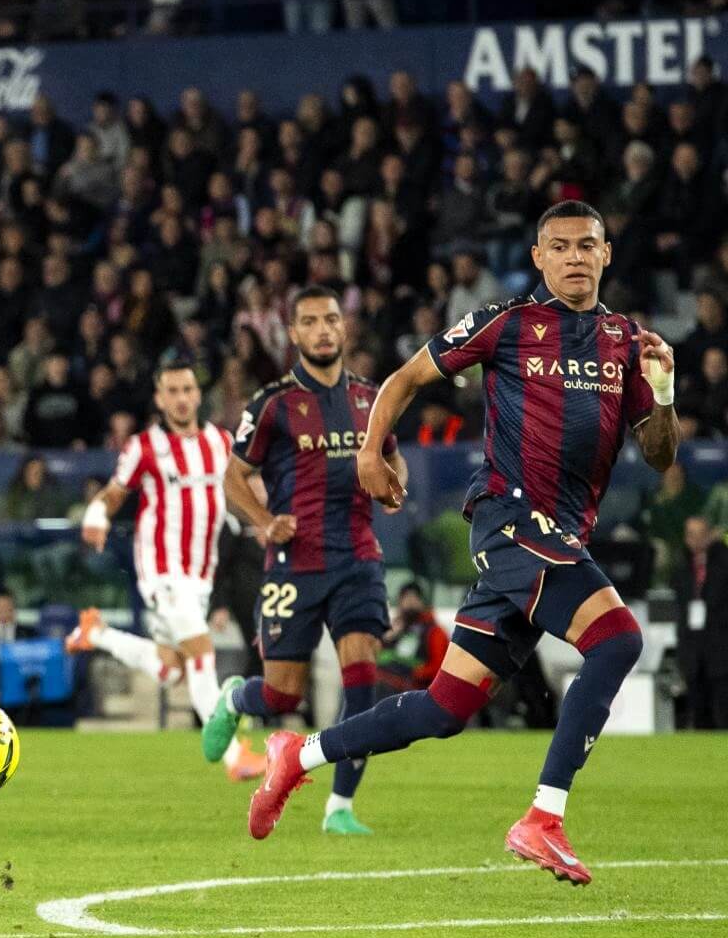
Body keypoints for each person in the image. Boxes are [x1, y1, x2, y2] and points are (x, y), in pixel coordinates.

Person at [250, 201, 681, 886]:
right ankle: (544, 817)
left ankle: (296, 755)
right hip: (512, 522)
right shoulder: (506, 323)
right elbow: (404, 380)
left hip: (559, 538)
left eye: (587, 245)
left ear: (605, 254)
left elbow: (659, 454)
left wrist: (663, 391)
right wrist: (369, 451)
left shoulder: (625, 341)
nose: (574, 257)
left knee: (445, 709)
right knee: (618, 639)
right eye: (560, 246)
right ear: (538, 257)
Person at [207, 286, 407, 835]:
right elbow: (233, 478)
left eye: (331, 320)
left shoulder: (370, 398)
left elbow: (394, 459)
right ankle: (235, 699)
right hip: (294, 562)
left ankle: (339, 806)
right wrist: (264, 521)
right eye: (311, 322)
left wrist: (394, 488)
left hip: (358, 558)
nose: (323, 330)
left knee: (361, 679)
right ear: (293, 333)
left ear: (345, 328)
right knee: (282, 694)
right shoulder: (272, 404)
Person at [64, 362, 261, 780]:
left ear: (198, 394)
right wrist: (96, 514)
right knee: (202, 653)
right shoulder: (144, 447)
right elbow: (115, 492)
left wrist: (263, 521)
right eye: (172, 391)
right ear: (159, 398)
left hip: (201, 574)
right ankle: (234, 757)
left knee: (173, 668)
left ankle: (96, 634)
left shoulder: (220, 441)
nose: (181, 398)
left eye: (187, 389)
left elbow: (241, 489)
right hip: (162, 570)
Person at [673, 516, 728, 729]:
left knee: (723, 707)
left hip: (720, 646)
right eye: (690, 535)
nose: (695, 540)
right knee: (698, 709)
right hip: (693, 648)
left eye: (700, 534)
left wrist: (718, 546)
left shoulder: (722, 561)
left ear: (710, 535)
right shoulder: (682, 565)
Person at [379, 582, 448, 693]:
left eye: (413, 598)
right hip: (393, 684)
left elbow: (438, 668)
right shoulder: (397, 627)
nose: (410, 603)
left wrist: (413, 673)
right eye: (406, 598)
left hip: (417, 690)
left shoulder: (434, 631)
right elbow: (378, 657)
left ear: (422, 602)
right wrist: (388, 638)